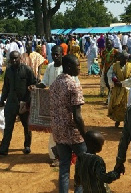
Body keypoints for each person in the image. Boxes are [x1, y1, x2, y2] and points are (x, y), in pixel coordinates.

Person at [50, 54, 87, 193]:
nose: (80, 68)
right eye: (78, 66)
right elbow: (77, 116)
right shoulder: (74, 85)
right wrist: (86, 135)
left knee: (64, 167)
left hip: (58, 131)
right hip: (73, 132)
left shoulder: (55, 83)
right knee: (82, 165)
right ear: (70, 67)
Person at [0, 51, 36, 156]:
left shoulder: (27, 69)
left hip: (24, 102)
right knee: (8, 127)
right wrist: (2, 100)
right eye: (12, 59)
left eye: (16, 58)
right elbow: (6, 86)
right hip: (11, 102)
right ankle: (3, 149)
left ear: (20, 58)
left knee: (27, 126)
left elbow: (34, 82)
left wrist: (31, 90)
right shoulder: (9, 70)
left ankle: (27, 146)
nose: (14, 60)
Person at [34, 45, 64, 167]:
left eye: (57, 54)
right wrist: (35, 86)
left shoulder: (67, 67)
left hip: (65, 104)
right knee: (54, 130)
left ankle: (66, 155)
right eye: (53, 54)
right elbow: (44, 83)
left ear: (62, 54)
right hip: (53, 104)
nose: (55, 56)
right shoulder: (50, 67)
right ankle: (55, 156)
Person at [107, 52, 131, 128]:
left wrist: (123, 83)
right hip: (116, 89)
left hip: (126, 89)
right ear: (119, 58)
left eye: (126, 59)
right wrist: (114, 83)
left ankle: (126, 122)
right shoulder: (114, 66)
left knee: (125, 106)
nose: (124, 60)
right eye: (122, 58)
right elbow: (109, 75)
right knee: (116, 105)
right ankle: (117, 120)